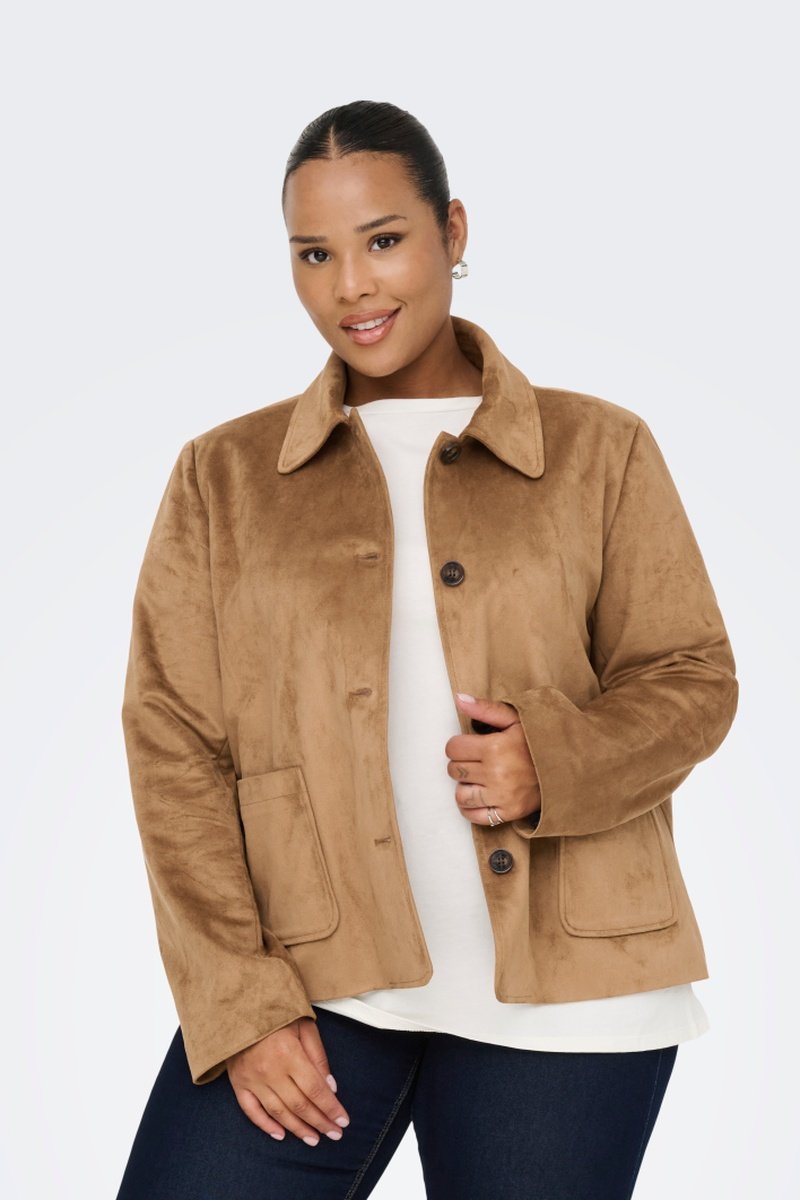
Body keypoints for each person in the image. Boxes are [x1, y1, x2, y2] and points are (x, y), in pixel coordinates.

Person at [115, 100, 739, 1199]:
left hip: (573, 994)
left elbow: (692, 677)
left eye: (384, 240)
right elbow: (175, 749)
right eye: (315, 254)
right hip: (317, 980)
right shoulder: (225, 477)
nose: (351, 286)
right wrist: (237, 999)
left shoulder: (598, 450)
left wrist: (555, 759)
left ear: (452, 230)